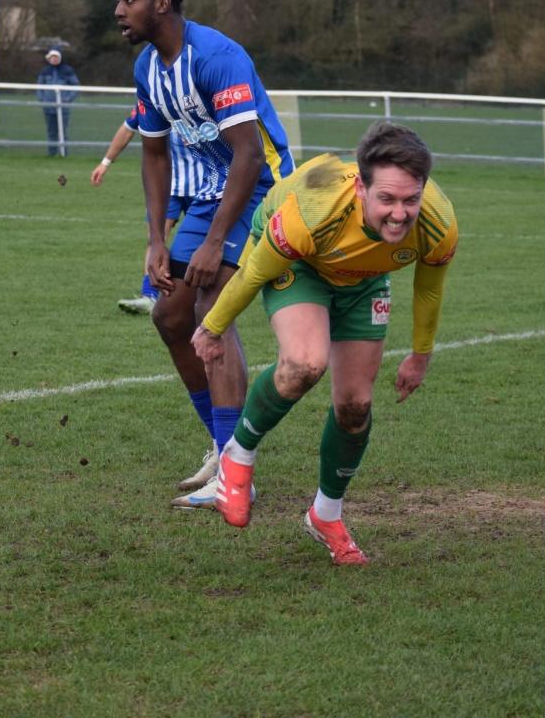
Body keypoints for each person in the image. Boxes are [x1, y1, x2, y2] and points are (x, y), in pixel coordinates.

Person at [191, 122, 458, 565]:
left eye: (411, 200)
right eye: (387, 200)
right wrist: (212, 328)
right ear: (360, 189)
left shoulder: (437, 223)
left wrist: (420, 355)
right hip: (301, 265)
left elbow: (429, 289)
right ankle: (237, 454)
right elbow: (253, 273)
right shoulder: (313, 212)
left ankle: (325, 515)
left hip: (364, 281)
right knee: (304, 363)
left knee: (355, 406)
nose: (400, 213)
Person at [116, 0, 295, 509]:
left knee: (211, 307)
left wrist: (215, 242)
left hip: (261, 186)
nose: (119, 10)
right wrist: (155, 239)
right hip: (210, 194)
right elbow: (153, 155)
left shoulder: (216, 56)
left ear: (162, 3)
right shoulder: (147, 67)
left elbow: (248, 154)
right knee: (171, 315)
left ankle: (237, 476)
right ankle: (223, 449)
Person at [91, 105, 196, 315]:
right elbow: (128, 128)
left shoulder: (198, 97)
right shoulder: (152, 98)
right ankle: (150, 296)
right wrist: (105, 162)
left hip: (204, 186)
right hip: (167, 186)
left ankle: (203, 298)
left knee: (202, 243)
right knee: (155, 239)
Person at [36, 48, 79, 157]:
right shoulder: (45, 71)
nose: (54, 59)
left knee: (63, 131)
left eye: (56, 57)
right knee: (51, 131)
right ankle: (52, 154)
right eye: (52, 57)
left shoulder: (68, 70)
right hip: (48, 106)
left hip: (63, 107)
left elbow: (75, 86)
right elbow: (39, 87)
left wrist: (68, 99)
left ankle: (64, 154)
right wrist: (42, 99)